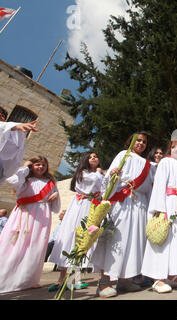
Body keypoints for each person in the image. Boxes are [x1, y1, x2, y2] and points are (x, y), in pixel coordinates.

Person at [91, 132, 154, 298]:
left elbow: (149, 187)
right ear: (131, 141)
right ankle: (104, 281)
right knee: (116, 239)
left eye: (144, 142)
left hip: (139, 203)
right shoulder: (123, 155)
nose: (141, 143)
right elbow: (109, 179)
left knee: (134, 241)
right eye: (138, 140)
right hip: (122, 201)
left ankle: (125, 279)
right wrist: (113, 174)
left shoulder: (147, 163)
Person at [0, 156, 60, 293]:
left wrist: (55, 196)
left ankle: (29, 279)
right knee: (15, 245)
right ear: (32, 166)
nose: (40, 167)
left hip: (42, 216)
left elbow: (56, 208)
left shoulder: (50, 182)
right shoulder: (24, 179)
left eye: (43, 165)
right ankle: (6, 277)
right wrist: (25, 167)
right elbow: (12, 180)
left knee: (35, 246)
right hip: (23, 215)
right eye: (37, 164)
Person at [141, 140, 177, 293]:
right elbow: (159, 185)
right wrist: (160, 209)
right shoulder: (165, 162)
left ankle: (173, 275)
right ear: (170, 148)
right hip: (168, 204)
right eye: (176, 146)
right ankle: (158, 279)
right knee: (164, 239)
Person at [48, 152, 104, 292]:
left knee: (83, 240)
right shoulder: (83, 173)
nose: (94, 158)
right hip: (80, 206)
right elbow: (90, 184)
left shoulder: (99, 174)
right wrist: (98, 173)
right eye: (91, 157)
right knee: (71, 237)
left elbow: (103, 187)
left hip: (92, 206)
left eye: (96, 156)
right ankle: (61, 279)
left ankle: (75, 279)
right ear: (86, 160)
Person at [0, 106, 38, 184]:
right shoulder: (8, 127)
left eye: (2, 115)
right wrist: (15, 126)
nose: (0, 116)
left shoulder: (9, 134)